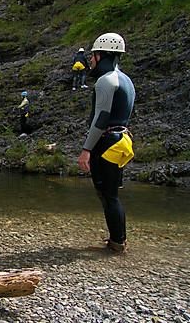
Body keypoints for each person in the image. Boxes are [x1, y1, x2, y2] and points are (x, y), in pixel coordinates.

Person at [77, 33, 135, 254]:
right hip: (121, 140)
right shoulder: (126, 80)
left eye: (93, 56)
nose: (90, 61)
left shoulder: (106, 81)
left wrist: (86, 150)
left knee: (108, 194)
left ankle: (117, 242)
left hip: (108, 142)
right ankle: (117, 238)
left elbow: (100, 119)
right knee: (111, 193)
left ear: (102, 55)